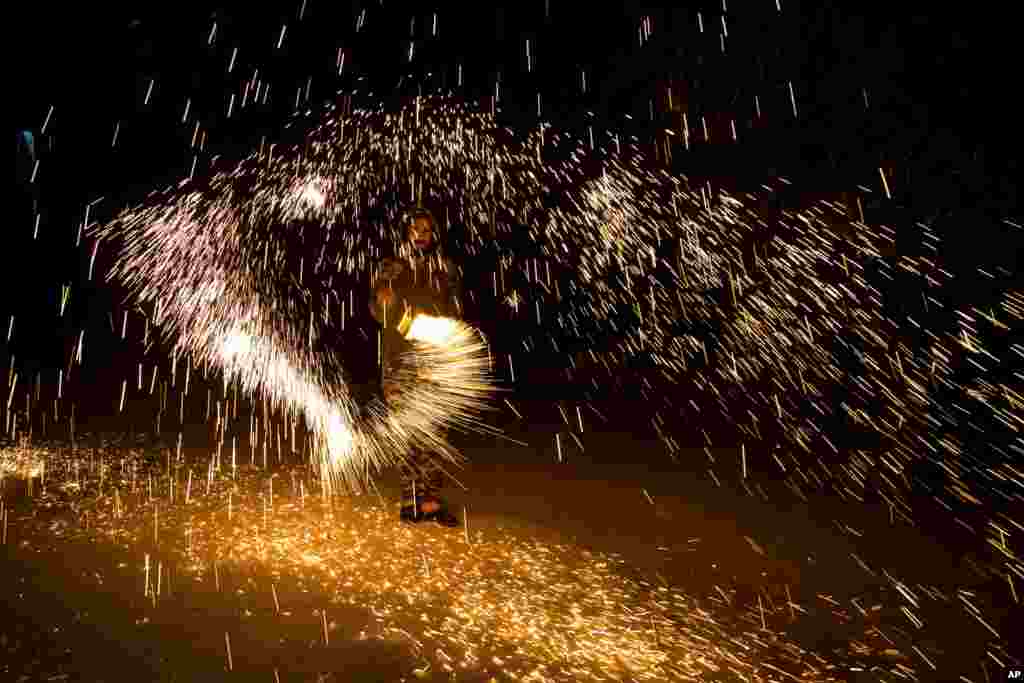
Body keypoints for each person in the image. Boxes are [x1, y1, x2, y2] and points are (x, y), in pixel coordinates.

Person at [369, 207, 462, 526]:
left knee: (436, 433)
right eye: (415, 229)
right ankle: (410, 498)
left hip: (434, 362)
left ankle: (431, 501)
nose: (421, 234)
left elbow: (454, 312)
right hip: (400, 364)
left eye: (426, 229)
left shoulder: (446, 268)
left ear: (434, 233)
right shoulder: (391, 267)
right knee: (409, 432)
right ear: (406, 233)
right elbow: (379, 312)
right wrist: (382, 300)